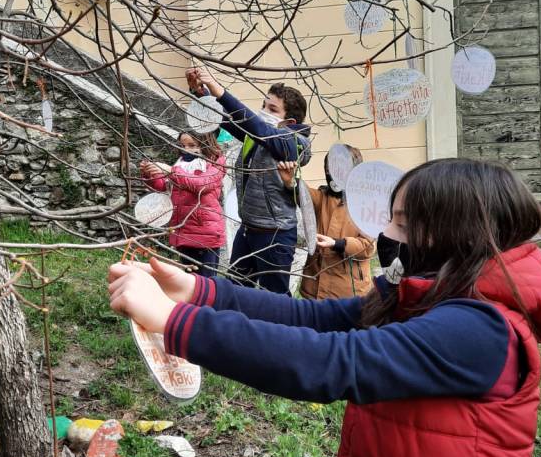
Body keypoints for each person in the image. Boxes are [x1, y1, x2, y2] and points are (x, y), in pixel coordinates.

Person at [108, 158, 541, 457]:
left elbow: (328, 361)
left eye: (403, 225)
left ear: (455, 233)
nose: (387, 236)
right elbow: (316, 318)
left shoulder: (479, 330)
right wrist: (199, 292)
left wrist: (173, 321)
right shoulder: (429, 293)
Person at [185, 66, 311, 294]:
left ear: (289, 121)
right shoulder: (257, 135)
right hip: (248, 230)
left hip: (275, 236)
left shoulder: (296, 143)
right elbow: (224, 121)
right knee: (235, 291)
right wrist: (202, 94)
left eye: (272, 108)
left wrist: (220, 92)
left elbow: (260, 129)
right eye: (263, 105)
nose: (263, 111)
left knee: (275, 302)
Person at [276, 146, 375, 299]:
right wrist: (291, 182)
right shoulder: (322, 197)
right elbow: (304, 194)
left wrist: (338, 243)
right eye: (329, 168)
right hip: (315, 287)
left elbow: (367, 248)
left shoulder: (365, 204)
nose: (331, 174)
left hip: (347, 291)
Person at [139, 131, 226, 277]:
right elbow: (163, 186)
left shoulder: (215, 163)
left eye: (192, 145)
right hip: (184, 231)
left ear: (206, 144)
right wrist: (150, 175)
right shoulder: (181, 164)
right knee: (189, 279)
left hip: (205, 233)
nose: (186, 149)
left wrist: (171, 171)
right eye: (182, 145)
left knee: (207, 282)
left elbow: (201, 185)